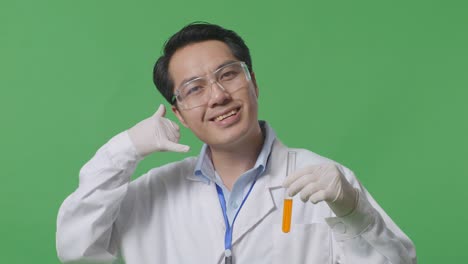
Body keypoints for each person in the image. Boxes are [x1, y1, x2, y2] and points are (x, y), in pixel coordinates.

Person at [56, 22, 417, 264]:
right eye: (194, 88)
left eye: (227, 75)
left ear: (253, 83)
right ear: (178, 113)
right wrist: (123, 150)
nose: (217, 96)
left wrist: (353, 213)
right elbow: (75, 247)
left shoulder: (326, 181)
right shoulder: (151, 193)